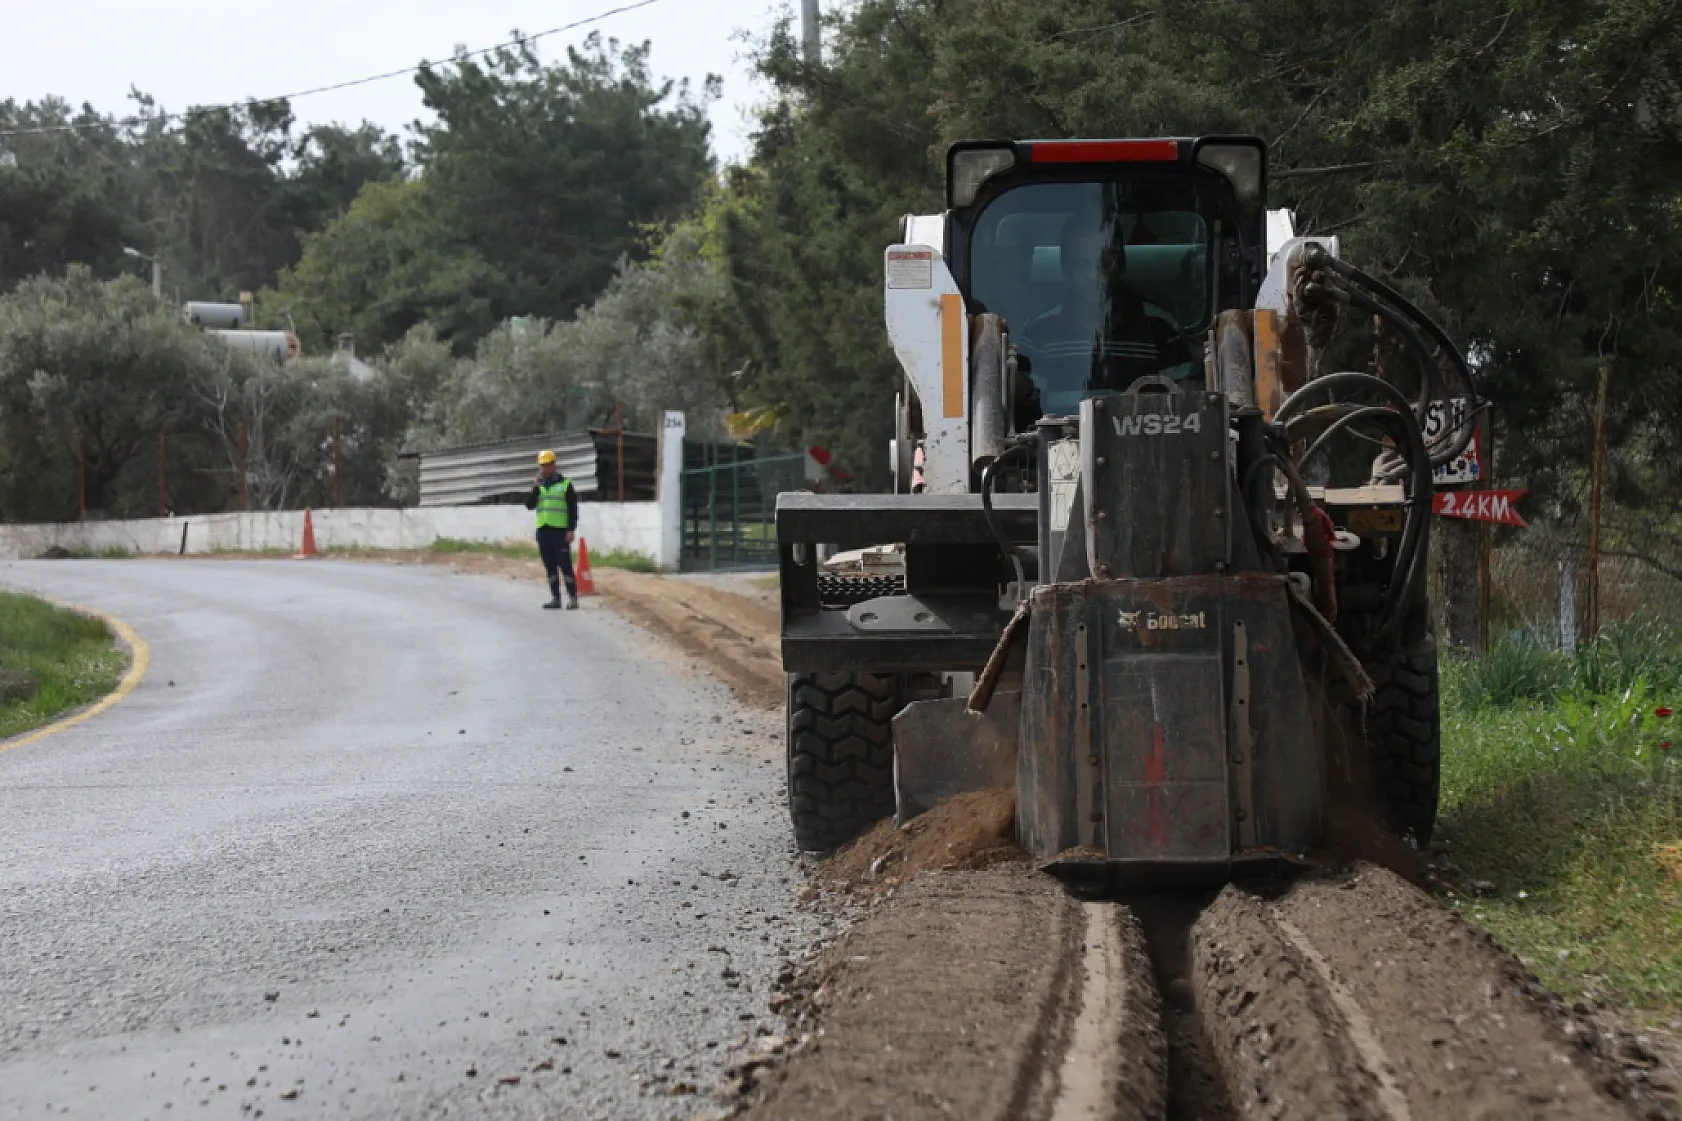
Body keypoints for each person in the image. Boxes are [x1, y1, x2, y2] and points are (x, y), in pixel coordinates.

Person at [526, 449, 580, 610]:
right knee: (550, 566)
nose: (545, 469)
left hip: (560, 532)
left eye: (548, 465)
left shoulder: (565, 484)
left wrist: (571, 529)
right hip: (543, 532)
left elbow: (573, 509)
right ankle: (555, 598)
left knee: (565, 565)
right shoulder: (539, 486)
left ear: (554, 465)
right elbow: (529, 505)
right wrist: (535, 487)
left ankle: (573, 598)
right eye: (542, 466)